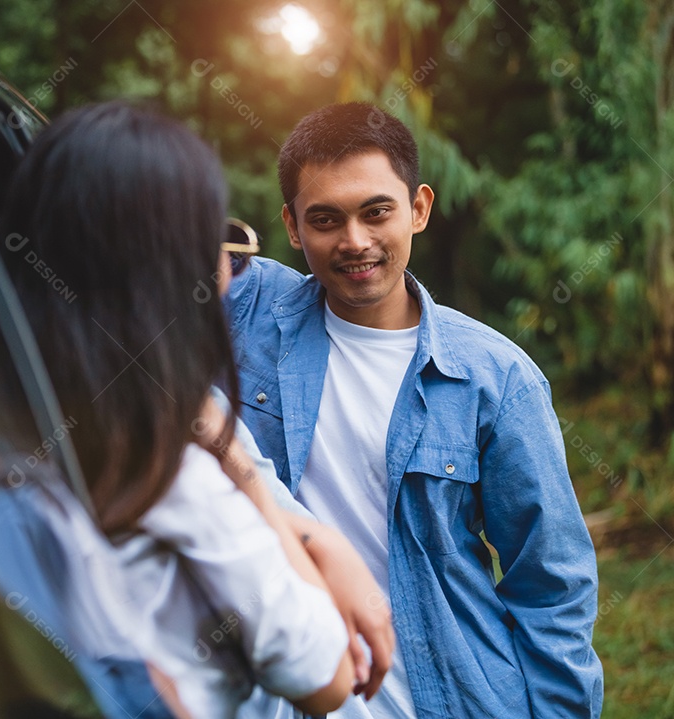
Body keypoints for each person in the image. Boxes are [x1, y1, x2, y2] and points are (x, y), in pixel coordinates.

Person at [0, 102, 388, 719]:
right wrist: (245, 483)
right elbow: (328, 680)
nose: (228, 271)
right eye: (204, 241)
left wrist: (315, 539)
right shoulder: (167, 466)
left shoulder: (63, 476)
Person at [226, 102, 604, 718]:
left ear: (419, 208)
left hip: (458, 699)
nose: (355, 242)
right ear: (293, 228)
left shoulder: (495, 378)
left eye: (377, 212)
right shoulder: (253, 321)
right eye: (325, 220)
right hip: (298, 697)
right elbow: (135, 248)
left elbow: (553, 583)